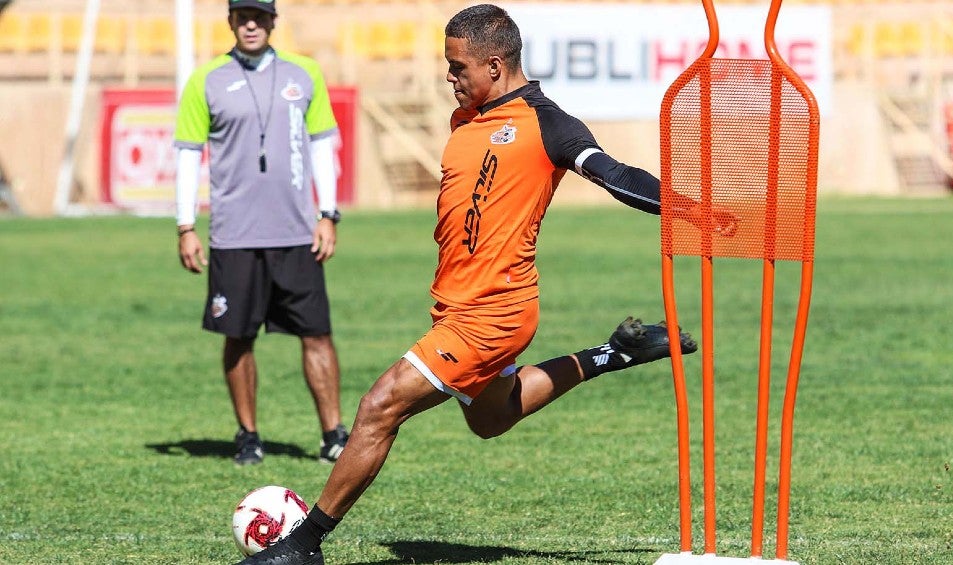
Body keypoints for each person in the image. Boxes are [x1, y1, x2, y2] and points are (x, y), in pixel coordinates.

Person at [237, 4, 736, 563]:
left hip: (494, 313)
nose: (448, 79)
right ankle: (612, 355)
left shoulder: (550, 125)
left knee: (380, 406)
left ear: (495, 65)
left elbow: (617, 175)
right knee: (490, 417)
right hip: (455, 308)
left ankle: (302, 546)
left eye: (457, 68)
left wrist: (696, 212)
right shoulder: (467, 117)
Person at [174, 0, 349, 466]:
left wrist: (328, 214)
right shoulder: (205, 79)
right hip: (234, 237)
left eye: (259, 16)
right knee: (238, 336)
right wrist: (185, 225)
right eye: (241, 16)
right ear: (230, 21)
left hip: (296, 233)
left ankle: (333, 433)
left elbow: (320, 145)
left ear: (273, 20)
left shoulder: (305, 73)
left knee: (317, 334)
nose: (250, 24)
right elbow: (188, 155)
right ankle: (248, 435)